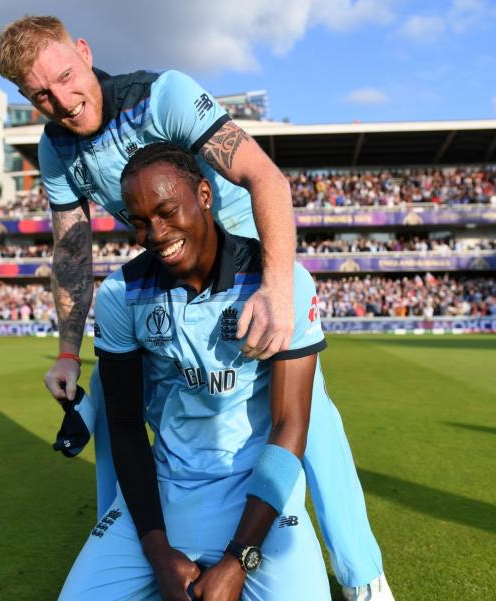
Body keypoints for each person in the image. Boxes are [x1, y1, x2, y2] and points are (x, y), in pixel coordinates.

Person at [0, 17, 390, 597]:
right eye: (40, 95)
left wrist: (277, 286)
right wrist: (67, 353)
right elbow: (72, 247)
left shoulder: (164, 95)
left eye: (66, 77)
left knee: (308, 417)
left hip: (243, 273)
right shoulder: (54, 148)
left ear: (83, 51)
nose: (62, 101)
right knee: (108, 404)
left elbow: (264, 178)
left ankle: (362, 576)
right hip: (164, 283)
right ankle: (135, 540)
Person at [61, 142, 335, 599]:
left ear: (204, 195)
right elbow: (126, 426)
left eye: (167, 210)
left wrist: (238, 559)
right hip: (166, 490)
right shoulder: (118, 293)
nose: (156, 232)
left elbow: (291, 425)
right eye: (140, 222)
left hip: (260, 494)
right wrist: (157, 552)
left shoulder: (282, 282)